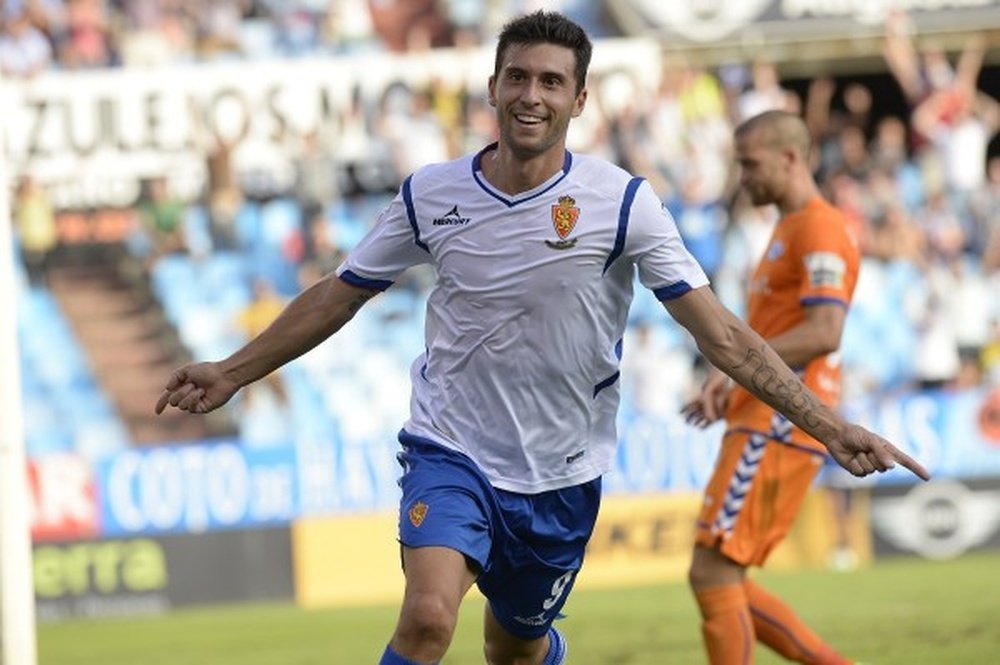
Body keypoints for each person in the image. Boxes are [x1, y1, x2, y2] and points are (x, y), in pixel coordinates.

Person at [156, 13, 929, 665]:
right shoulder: (431, 194)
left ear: (579, 99)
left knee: (516, 649)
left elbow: (723, 334)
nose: (531, 95)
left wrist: (828, 428)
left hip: (561, 476)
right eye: (518, 77)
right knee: (427, 618)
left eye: (551, 82)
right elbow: (338, 294)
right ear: (493, 87)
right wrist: (233, 370)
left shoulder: (622, 203)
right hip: (450, 448)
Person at [682, 109, 871, 664]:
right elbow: (779, 332)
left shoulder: (820, 227)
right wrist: (732, 382)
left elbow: (824, 331)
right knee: (721, 578)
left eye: (750, 163)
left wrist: (729, 367)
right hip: (761, 417)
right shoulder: (788, 228)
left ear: (790, 158)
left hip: (782, 423)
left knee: (712, 570)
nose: (743, 177)